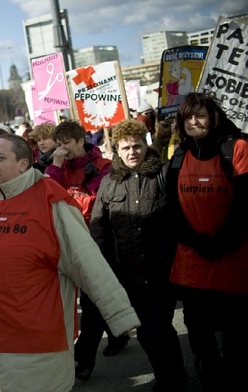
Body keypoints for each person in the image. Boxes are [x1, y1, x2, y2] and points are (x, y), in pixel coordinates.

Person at [0, 133, 140, 391]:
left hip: (38, 347)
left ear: (23, 164)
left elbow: (88, 263)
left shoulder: (51, 203)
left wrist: (119, 315)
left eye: (1, 158)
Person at [86, 119, 187, 390]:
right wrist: (108, 266)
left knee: (160, 327)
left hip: (162, 270)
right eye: (126, 147)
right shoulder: (108, 184)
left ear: (146, 145)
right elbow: (99, 229)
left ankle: (172, 380)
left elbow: (178, 219)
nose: (132, 152)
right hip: (128, 274)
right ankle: (169, 376)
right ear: (116, 150)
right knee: (145, 331)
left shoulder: (164, 175)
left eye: (137, 146)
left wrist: (170, 256)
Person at [163, 93, 248, 392]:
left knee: (236, 330)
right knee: (198, 331)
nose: (193, 122)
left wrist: (221, 243)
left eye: (199, 115)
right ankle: (212, 383)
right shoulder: (178, 154)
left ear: (214, 117)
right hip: (192, 261)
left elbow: (245, 206)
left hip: (233, 258)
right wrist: (196, 241)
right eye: (187, 117)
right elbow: (171, 206)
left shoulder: (236, 148)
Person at [45, 120, 129, 379]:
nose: (63, 149)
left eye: (67, 143)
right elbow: (50, 196)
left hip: (97, 239)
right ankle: (119, 333)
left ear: (81, 140)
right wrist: (56, 166)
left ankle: (84, 359)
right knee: (91, 300)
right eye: (58, 145)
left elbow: (100, 200)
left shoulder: (102, 167)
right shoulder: (59, 167)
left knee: (93, 303)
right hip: (69, 240)